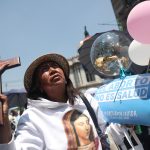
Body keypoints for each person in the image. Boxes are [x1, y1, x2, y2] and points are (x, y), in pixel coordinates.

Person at [0, 53, 106, 150]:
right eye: (44, 69)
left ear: (65, 78)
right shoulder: (32, 117)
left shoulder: (87, 100)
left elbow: (106, 132)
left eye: (55, 66)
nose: (52, 70)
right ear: (39, 86)